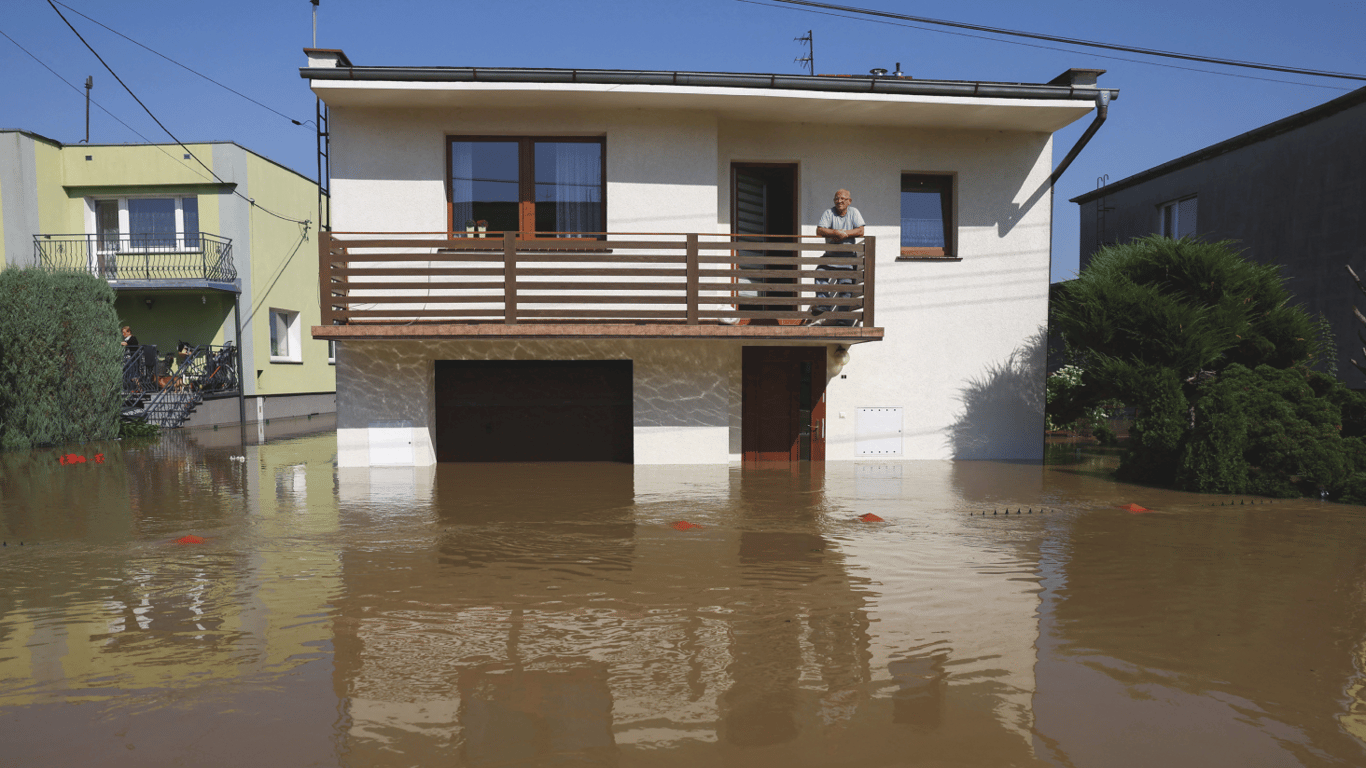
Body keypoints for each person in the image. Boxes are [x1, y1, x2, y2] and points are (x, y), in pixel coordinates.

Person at [810, 189, 864, 326]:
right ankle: (824, 304)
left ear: (849, 201)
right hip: (831, 255)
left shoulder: (854, 212)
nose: (839, 201)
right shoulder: (829, 213)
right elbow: (820, 230)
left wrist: (844, 234)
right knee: (820, 273)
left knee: (845, 289)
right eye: (836, 199)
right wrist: (834, 232)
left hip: (847, 258)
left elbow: (860, 230)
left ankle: (842, 320)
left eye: (842, 199)